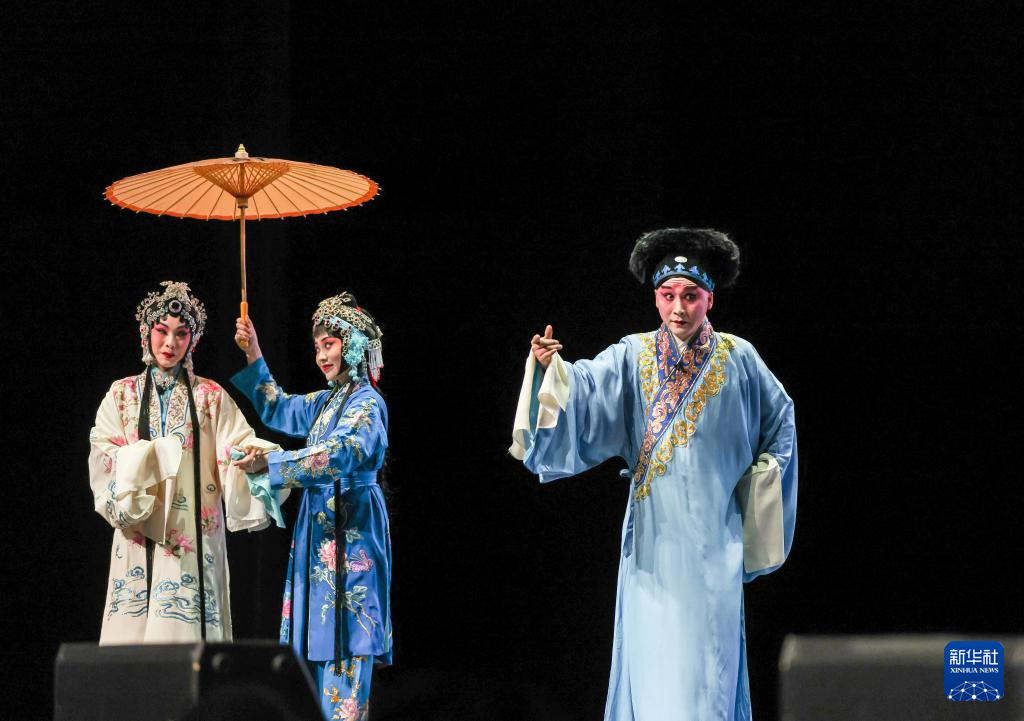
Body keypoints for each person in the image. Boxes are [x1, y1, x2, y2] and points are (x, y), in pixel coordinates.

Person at [510, 228, 798, 721]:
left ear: (710, 298)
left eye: (691, 296)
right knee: (655, 678)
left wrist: (759, 485)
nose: (678, 308)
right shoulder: (633, 355)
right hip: (652, 550)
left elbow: (781, 424)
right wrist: (549, 370)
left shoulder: (740, 359)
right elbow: (584, 388)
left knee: (708, 679)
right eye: (668, 295)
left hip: (714, 550)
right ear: (655, 297)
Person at [231, 292, 391, 721]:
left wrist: (274, 463)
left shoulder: (367, 403)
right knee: (311, 652)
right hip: (319, 533)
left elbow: (342, 453)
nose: (321, 355)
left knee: (348, 643)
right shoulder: (325, 403)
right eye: (317, 346)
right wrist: (254, 352)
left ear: (352, 345)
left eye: (330, 344)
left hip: (353, 533)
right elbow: (277, 406)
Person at [89, 281, 275, 644]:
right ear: (146, 333)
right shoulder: (121, 394)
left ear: (193, 340)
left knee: (187, 639)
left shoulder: (210, 396)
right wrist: (144, 461)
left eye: (181, 334)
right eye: (162, 331)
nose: (170, 343)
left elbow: (236, 444)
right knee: (132, 645)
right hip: (138, 534)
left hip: (191, 534)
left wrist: (255, 457)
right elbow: (103, 452)